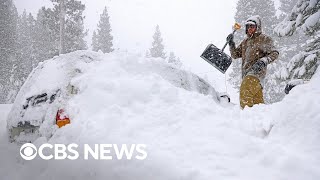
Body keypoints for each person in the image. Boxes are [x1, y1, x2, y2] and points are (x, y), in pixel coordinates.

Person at [227, 15, 279, 109]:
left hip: (256, 74)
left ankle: (246, 119)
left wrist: (263, 61)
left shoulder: (263, 39)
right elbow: (235, 55)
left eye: (252, 26)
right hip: (248, 76)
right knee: (258, 105)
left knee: (245, 92)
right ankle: (262, 121)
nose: (250, 28)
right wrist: (231, 43)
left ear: (257, 27)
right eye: (248, 26)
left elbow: (274, 53)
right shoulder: (245, 42)